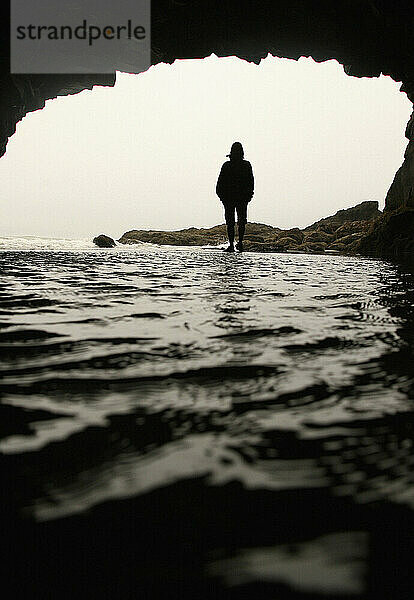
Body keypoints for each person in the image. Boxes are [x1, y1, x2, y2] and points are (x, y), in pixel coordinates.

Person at [216, 141, 254, 252]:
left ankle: (232, 244)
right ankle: (239, 243)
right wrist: (248, 196)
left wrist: (222, 197)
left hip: (231, 199)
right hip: (239, 199)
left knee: (231, 222)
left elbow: (219, 184)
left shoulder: (228, 165)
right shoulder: (245, 165)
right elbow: (251, 183)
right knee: (241, 221)